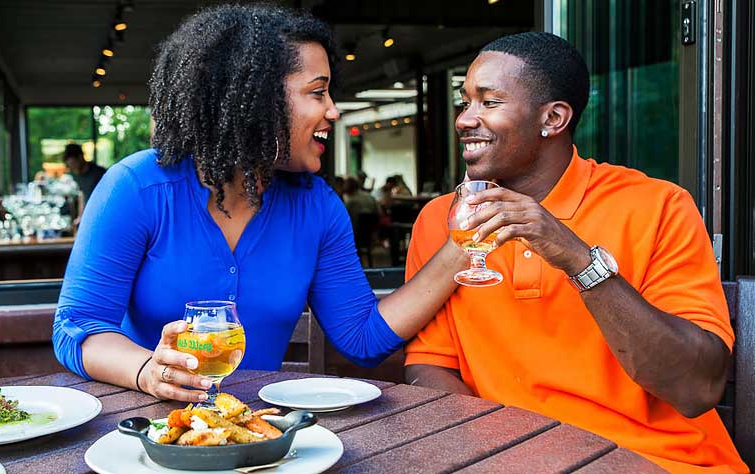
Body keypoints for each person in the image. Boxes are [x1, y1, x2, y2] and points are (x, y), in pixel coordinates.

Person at [53, 5, 468, 405]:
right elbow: (77, 328)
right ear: (255, 100)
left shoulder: (317, 208)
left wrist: (460, 248)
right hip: (148, 432)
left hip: (260, 435)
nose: (333, 111)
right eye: (317, 93)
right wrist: (149, 371)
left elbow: (362, 338)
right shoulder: (137, 188)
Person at [404, 32, 747, 473]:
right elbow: (429, 365)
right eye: (466, 101)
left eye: (488, 103)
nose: (464, 119)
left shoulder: (658, 205)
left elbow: (697, 389)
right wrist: (494, 454)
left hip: (656, 461)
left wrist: (578, 259)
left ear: (554, 117)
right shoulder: (443, 219)